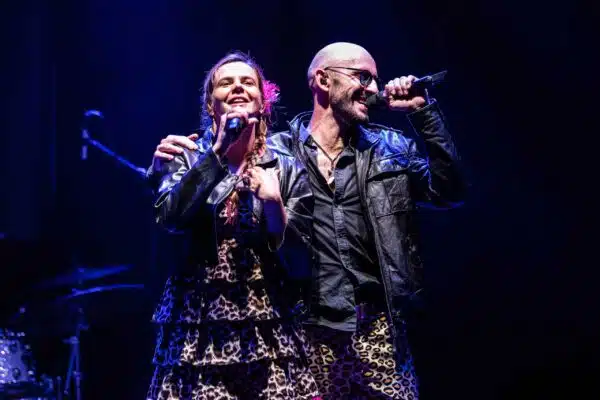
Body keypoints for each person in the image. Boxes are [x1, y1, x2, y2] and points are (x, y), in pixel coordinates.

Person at [151, 42, 466, 399]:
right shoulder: (281, 151)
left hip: (376, 328)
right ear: (323, 80)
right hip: (305, 331)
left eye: (375, 80)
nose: (375, 89)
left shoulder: (387, 149)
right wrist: (161, 167)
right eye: (363, 77)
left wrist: (423, 112)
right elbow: (177, 210)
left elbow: (450, 191)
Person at [145, 51, 320, 400]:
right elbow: (171, 218)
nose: (238, 87)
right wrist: (217, 152)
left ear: (263, 102)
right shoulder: (184, 156)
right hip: (197, 326)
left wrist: (274, 205)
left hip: (270, 326)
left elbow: (303, 261)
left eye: (247, 82)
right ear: (211, 105)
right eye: (226, 83)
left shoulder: (287, 166)